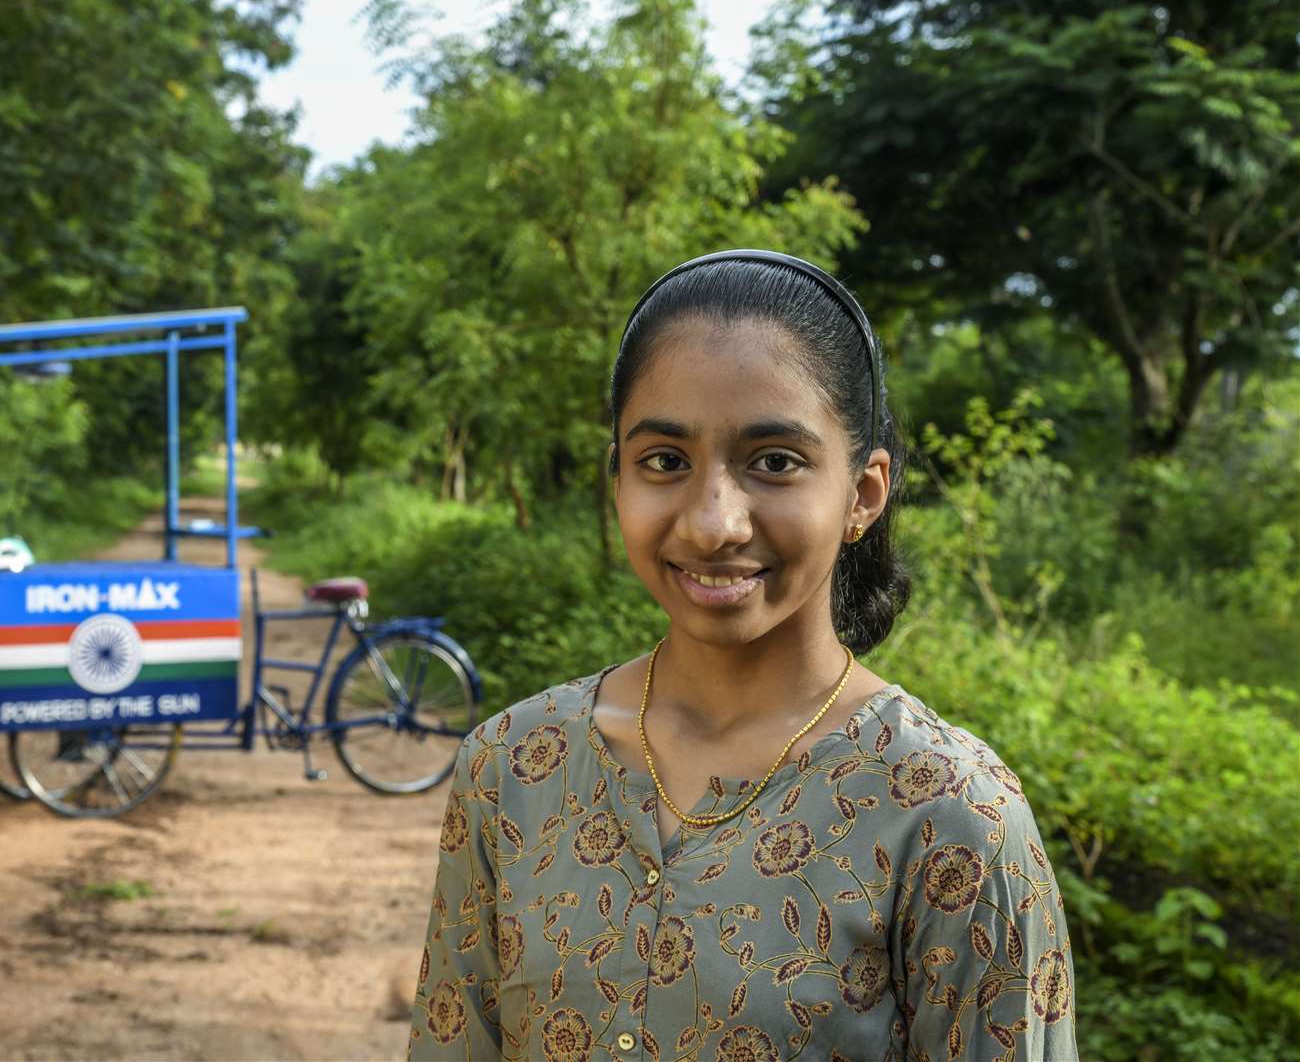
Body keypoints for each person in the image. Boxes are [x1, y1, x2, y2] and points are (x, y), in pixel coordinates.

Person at [407, 251, 1078, 1061]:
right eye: (665, 461)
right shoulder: (512, 768)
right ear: (617, 476)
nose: (713, 523)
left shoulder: (949, 817)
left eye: (775, 462)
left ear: (863, 494)